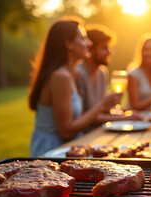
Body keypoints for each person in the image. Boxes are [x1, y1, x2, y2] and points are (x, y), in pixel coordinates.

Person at [28, 17, 120, 157]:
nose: (89, 43)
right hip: (51, 153)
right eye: (83, 38)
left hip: (69, 149)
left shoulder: (71, 73)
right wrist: (101, 105)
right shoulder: (60, 77)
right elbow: (66, 131)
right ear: (69, 44)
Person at [75, 24, 140, 132]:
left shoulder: (102, 73)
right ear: (90, 50)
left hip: (99, 132)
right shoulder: (79, 73)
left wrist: (126, 111)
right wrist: (124, 117)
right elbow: (85, 116)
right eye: (104, 48)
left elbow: (102, 109)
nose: (110, 52)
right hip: (85, 135)